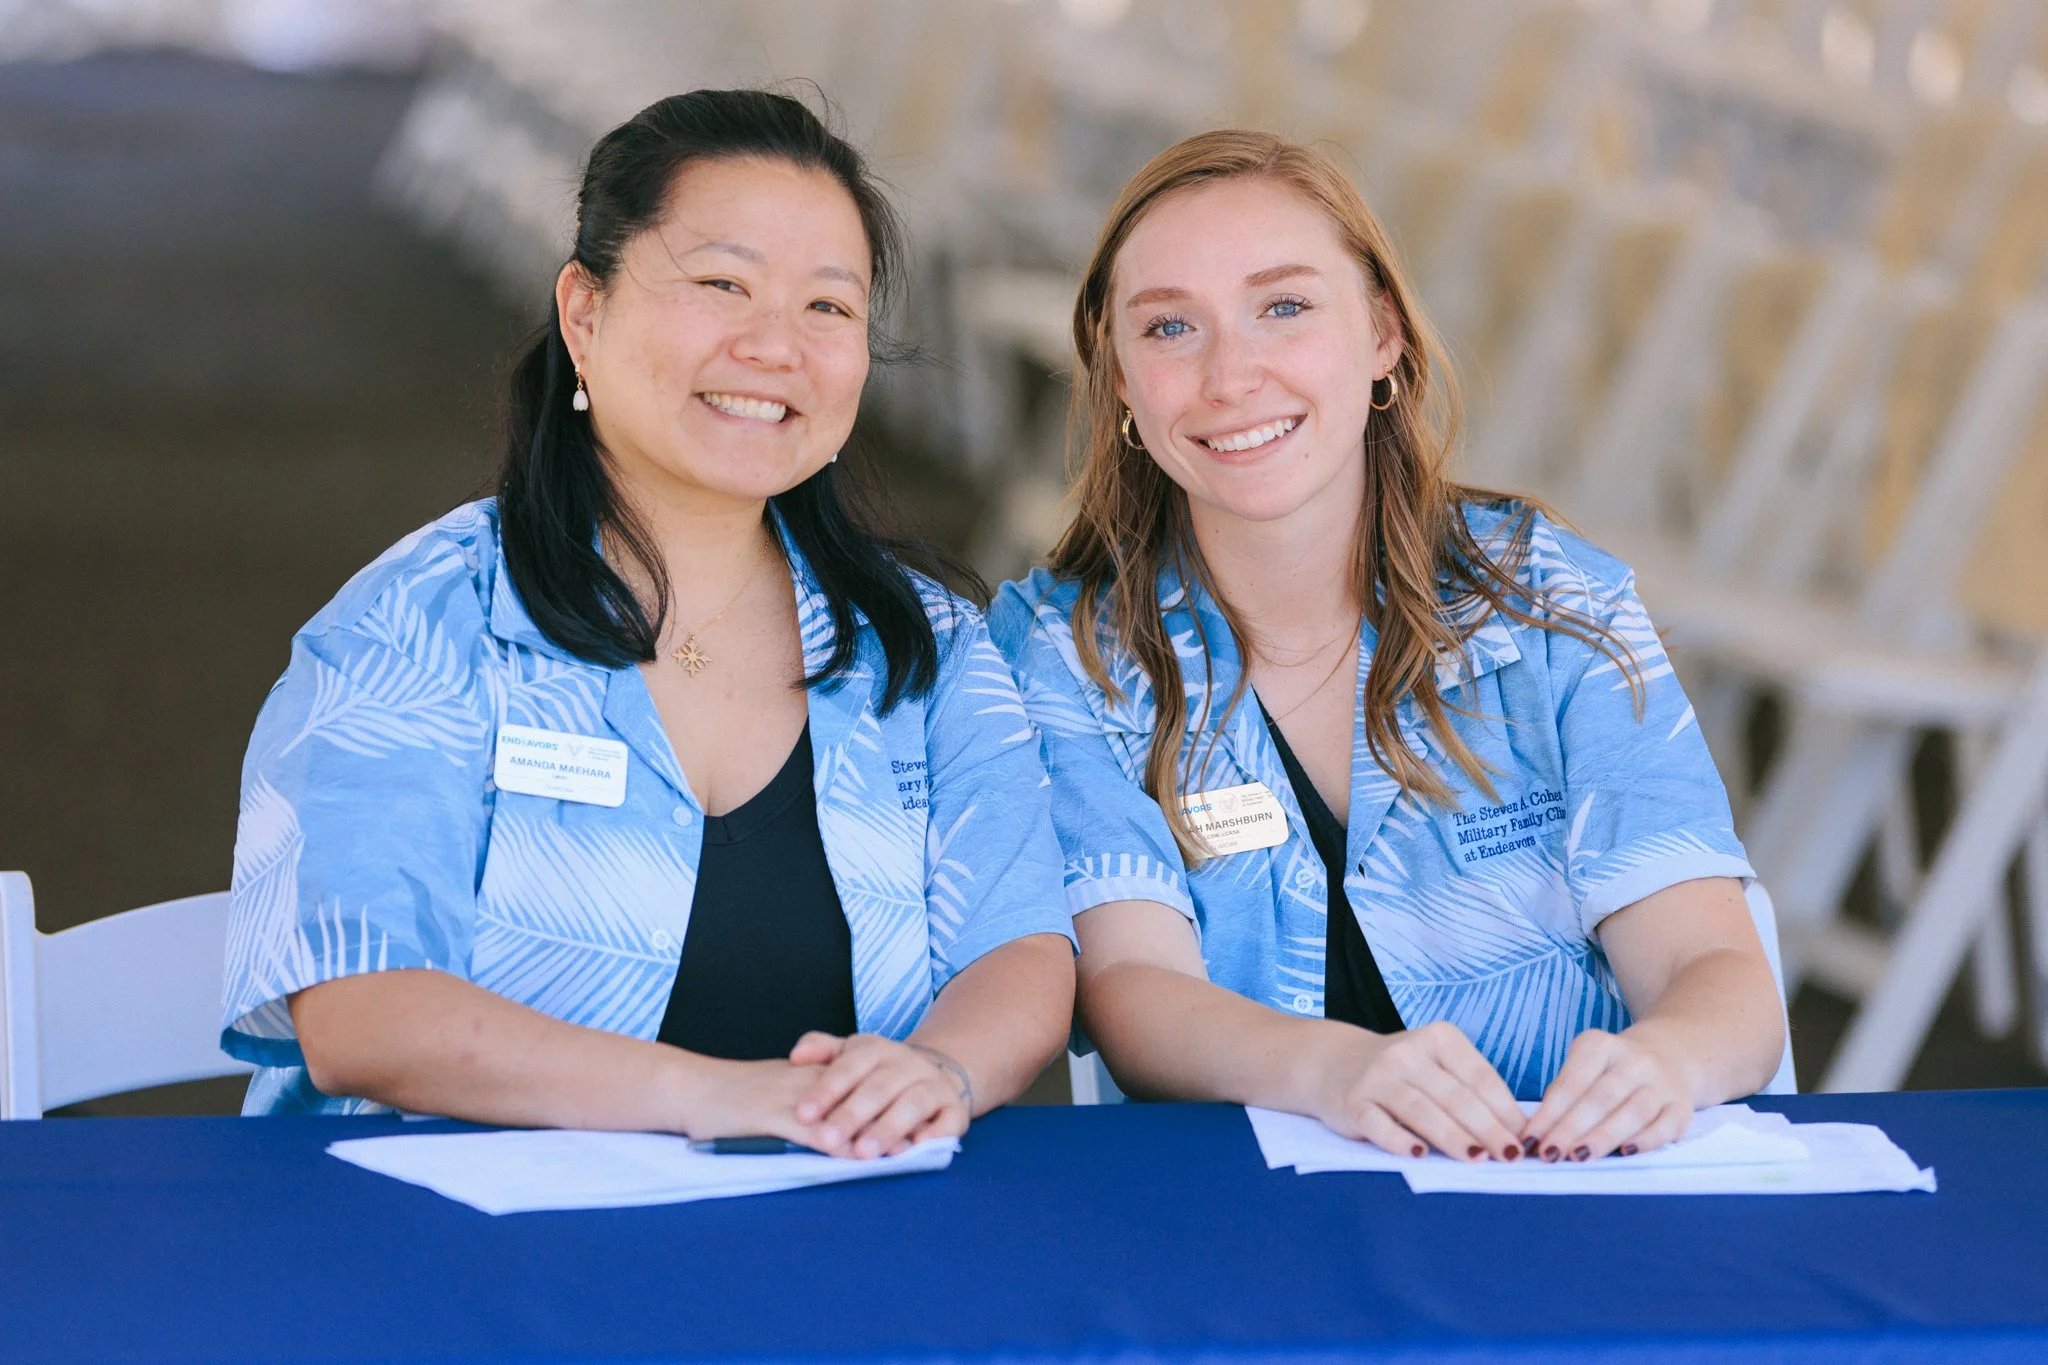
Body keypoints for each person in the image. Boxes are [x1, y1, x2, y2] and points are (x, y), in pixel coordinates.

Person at [220, 90, 1075, 1158]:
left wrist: (937, 1072)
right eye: (722, 284)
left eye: (827, 307)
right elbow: (360, 1016)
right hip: (451, 1261)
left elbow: (1021, 947)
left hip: (826, 1243)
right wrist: (715, 1097)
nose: (775, 345)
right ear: (584, 311)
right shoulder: (419, 623)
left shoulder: (925, 644)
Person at [989, 130, 1786, 1165]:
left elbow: (1710, 963)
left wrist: (1667, 1064)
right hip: (1252, 1242)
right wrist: (1334, 1072)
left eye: (1283, 307)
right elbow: (1133, 991)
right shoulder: (1063, 651)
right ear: (1121, 384)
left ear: (1382, 337)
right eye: (1170, 327)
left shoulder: (1545, 593)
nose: (1230, 375)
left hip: (1567, 1203)